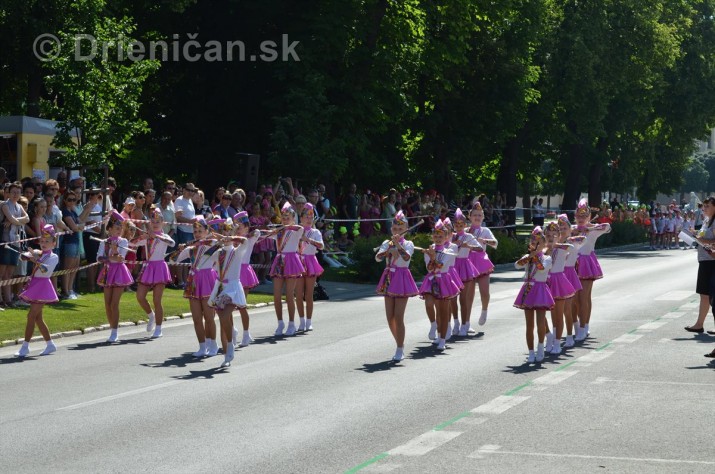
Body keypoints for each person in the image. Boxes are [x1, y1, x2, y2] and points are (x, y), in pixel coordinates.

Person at [375, 211, 419, 361]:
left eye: (400, 229)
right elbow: (377, 258)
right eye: (394, 229)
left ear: (406, 228)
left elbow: (407, 257)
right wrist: (388, 249)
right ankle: (399, 342)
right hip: (388, 277)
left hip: (401, 278)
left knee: (399, 316)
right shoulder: (387, 242)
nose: (397, 231)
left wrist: (398, 246)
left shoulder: (409, 244)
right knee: (390, 317)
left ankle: (400, 348)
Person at [174, 217, 220, 357]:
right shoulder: (191, 249)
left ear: (207, 231)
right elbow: (173, 260)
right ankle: (202, 346)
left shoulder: (211, 245)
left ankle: (213, 344)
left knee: (209, 316)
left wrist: (206, 240)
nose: (197, 234)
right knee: (196, 318)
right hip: (193, 280)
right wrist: (180, 249)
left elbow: (218, 244)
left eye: (201, 231)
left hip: (207, 280)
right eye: (195, 231)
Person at [207, 217, 248, 368]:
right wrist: (210, 242)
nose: (226, 234)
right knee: (223, 320)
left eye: (228, 231)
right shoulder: (218, 252)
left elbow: (245, 241)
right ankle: (226, 353)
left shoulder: (237, 251)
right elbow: (203, 261)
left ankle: (230, 344)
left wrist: (232, 238)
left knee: (224, 316)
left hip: (233, 288)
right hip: (220, 287)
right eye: (223, 231)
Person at [15, 225, 60, 358]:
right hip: (35, 285)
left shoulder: (53, 256)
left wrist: (35, 259)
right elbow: (23, 257)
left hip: (43, 287)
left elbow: (45, 270)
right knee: (38, 318)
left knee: (31, 316)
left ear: (54, 243)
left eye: (47, 242)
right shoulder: (38, 252)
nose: (44, 244)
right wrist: (25, 255)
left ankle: (25, 347)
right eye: (42, 241)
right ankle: (50, 344)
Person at [572, 198, 611, 341]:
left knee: (584, 297)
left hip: (586, 264)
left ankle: (584, 327)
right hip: (571, 266)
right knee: (573, 300)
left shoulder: (592, 230)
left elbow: (607, 227)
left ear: (589, 217)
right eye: (578, 216)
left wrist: (590, 227)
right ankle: (576, 325)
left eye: (584, 216)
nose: (581, 219)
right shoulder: (572, 229)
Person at [419, 219, 460, 351]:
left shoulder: (450, 251)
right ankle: (433, 325)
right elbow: (430, 269)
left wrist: (433, 257)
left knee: (443, 312)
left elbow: (440, 266)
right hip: (431, 280)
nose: (438, 238)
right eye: (435, 236)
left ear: (446, 237)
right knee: (429, 304)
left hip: (444, 280)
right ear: (432, 236)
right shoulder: (429, 250)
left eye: (441, 236)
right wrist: (430, 256)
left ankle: (442, 339)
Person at [514, 227, 554, 363]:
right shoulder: (528, 258)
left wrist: (534, 256)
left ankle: (541, 347)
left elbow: (542, 268)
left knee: (540, 322)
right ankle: (531, 351)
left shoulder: (547, 258)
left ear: (544, 244)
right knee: (529, 324)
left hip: (541, 290)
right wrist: (528, 257)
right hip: (528, 289)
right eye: (532, 241)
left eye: (538, 241)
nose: (535, 243)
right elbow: (517, 265)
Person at [135, 208, 176, 339]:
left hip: (160, 267)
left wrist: (156, 236)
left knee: (157, 300)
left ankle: (158, 328)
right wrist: (142, 236)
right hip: (148, 267)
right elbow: (132, 243)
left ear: (162, 222)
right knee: (140, 296)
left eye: (158, 221)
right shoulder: (147, 237)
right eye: (152, 221)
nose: (155, 223)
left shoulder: (164, 236)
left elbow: (172, 243)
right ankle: (150, 315)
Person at [267, 202, 305, 336]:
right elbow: (265, 234)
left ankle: (291, 324)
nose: (285, 219)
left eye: (288, 217)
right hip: (279, 261)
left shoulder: (295, 230)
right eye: (283, 217)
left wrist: (286, 227)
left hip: (291, 261)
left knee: (289, 295)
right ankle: (280, 323)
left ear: (293, 218)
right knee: (277, 295)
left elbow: (300, 228)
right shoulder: (279, 232)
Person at [97, 212, 134, 343]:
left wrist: (114, 251)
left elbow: (120, 258)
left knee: (114, 303)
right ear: (110, 229)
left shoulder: (123, 241)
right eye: (117, 228)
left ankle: (115, 331)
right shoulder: (104, 242)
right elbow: (99, 258)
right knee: (107, 304)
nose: (119, 231)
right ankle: (112, 327)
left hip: (119, 272)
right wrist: (110, 254)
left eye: (121, 228)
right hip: (107, 272)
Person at [544, 221, 577, 355]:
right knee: (544, 313)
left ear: (559, 236)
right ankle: (549, 335)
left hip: (559, 282)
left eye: (554, 235)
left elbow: (572, 248)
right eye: (548, 235)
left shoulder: (562, 248)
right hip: (545, 282)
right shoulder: (543, 251)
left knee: (561, 313)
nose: (551, 237)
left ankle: (561, 339)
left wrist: (556, 244)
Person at [686, 196, 715, 335]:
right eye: (704, 206)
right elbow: (704, 236)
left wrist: (701, 239)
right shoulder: (706, 220)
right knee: (704, 294)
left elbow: (714, 241)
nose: (704, 208)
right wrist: (695, 234)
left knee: (711, 296)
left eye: (708, 206)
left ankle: (702, 324)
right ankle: (699, 324)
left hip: (711, 260)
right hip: (704, 260)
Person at [450, 208, 481, 336]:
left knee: (464, 299)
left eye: (461, 224)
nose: (458, 226)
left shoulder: (468, 236)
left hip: (465, 266)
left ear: (465, 225)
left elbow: (479, 248)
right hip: (452, 267)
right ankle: (456, 322)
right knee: (452, 298)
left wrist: (468, 246)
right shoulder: (450, 237)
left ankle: (465, 324)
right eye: (456, 224)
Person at [468, 202, 498, 326]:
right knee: (468, 294)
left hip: (481, 261)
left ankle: (484, 310)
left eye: (480, 215)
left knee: (484, 291)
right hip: (468, 262)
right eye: (475, 215)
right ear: (470, 217)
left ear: (483, 217)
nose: (477, 217)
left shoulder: (485, 230)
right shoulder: (466, 230)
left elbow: (495, 243)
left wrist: (484, 240)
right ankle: (466, 321)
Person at [0, 182, 31, 306]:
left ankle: (8, 299)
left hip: (16, 241)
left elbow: (27, 218)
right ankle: (1, 300)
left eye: (18, 192)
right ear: (8, 192)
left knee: (9, 273)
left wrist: (14, 221)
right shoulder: (4, 205)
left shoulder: (19, 206)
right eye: (13, 192)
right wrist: (14, 221)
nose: (15, 194)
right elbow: (12, 219)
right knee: (1, 272)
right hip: (5, 241)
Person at [234, 211, 260, 347]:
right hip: (231, 273)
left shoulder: (250, 238)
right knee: (228, 305)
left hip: (244, 271)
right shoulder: (233, 240)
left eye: (240, 226)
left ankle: (246, 333)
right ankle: (232, 331)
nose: (237, 229)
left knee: (242, 305)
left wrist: (247, 233)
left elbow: (258, 233)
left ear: (246, 227)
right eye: (235, 226)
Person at [296, 203, 324, 332]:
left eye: (311, 217)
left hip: (311, 262)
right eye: (306, 216)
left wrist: (308, 239)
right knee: (299, 294)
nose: (308, 219)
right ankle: (301, 321)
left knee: (309, 294)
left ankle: (309, 321)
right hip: (298, 262)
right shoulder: (296, 231)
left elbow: (321, 246)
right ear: (301, 218)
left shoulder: (315, 232)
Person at [60, 190, 92, 299]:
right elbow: (74, 227)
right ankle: (66, 291)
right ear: (64, 200)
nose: (72, 201)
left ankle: (70, 289)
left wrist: (88, 209)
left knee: (75, 267)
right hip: (69, 242)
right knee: (67, 267)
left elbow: (80, 220)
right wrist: (81, 226)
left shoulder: (73, 211)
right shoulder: (65, 212)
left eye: (74, 199)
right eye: (69, 199)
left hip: (76, 240)